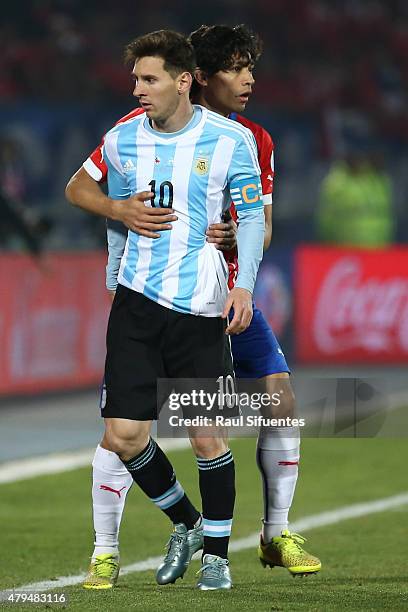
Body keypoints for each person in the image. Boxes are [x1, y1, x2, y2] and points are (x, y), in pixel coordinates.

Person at [67, 24, 321, 590]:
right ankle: (112, 547)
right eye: (236, 67)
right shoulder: (127, 134)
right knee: (122, 432)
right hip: (141, 301)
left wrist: (240, 263)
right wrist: (118, 218)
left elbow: (260, 222)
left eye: (249, 66)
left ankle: (268, 534)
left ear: (180, 82)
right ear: (200, 78)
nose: (249, 79)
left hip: (216, 298)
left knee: (263, 405)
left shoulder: (247, 140)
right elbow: (94, 191)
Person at [316, 150, 394, 247]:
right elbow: (327, 217)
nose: (358, 160)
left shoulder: (377, 180)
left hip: (379, 245)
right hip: (343, 246)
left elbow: (386, 213)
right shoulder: (336, 182)